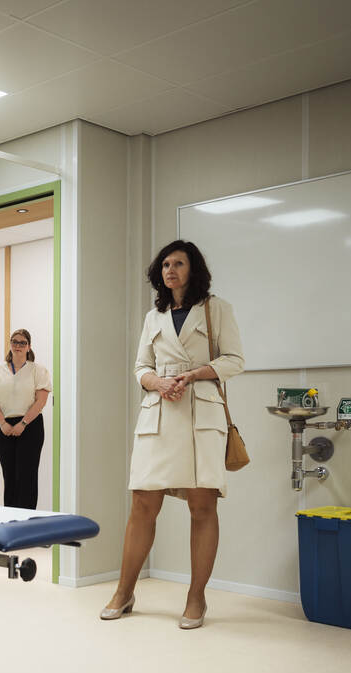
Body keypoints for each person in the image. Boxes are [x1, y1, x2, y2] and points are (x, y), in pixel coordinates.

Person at [101, 240, 244, 629]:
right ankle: (124, 591)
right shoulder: (154, 316)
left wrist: (194, 374)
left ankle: (196, 598)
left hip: (201, 414)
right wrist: (158, 383)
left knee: (203, 506)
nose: (170, 270)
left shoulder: (216, 308)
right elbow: (140, 367)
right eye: (165, 265)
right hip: (159, 413)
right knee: (142, 505)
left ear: (193, 269)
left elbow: (235, 360)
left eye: (178, 263)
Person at [0, 328, 51, 509]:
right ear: (10, 344)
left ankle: (27, 518)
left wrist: (23, 423)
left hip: (30, 426)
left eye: (22, 343)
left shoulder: (38, 370)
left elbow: (41, 401)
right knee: (9, 475)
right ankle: (10, 517)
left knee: (27, 475)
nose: (18, 346)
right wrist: (2, 423)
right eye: (15, 341)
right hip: (3, 426)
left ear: (29, 347)